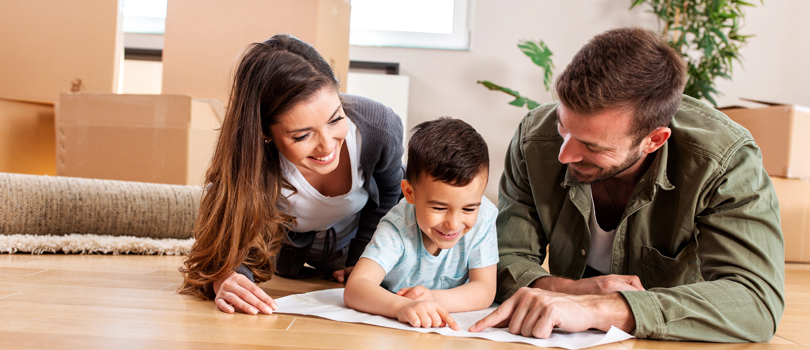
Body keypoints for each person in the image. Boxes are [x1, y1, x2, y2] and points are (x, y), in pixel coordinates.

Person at [470, 27, 785, 342]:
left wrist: (604, 309)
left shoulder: (724, 163)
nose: (565, 155)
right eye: (562, 127)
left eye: (593, 147)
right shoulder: (534, 139)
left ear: (653, 140)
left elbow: (756, 301)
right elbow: (503, 257)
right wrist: (570, 291)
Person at [178, 34, 405, 315]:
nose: (326, 146)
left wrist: (362, 263)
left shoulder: (380, 127)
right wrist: (226, 277)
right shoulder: (250, 161)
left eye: (336, 119)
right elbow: (228, 241)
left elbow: (391, 200)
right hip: (284, 256)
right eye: (302, 135)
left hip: (361, 246)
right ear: (264, 133)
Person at [344, 117, 498, 330]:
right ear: (409, 193)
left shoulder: (485, 216)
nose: (454, 224)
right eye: (439, 208)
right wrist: (402, 307)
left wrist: (432, 299)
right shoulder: (397, 226)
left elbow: (485, 288)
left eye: (469, 209)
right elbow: (356, 287)